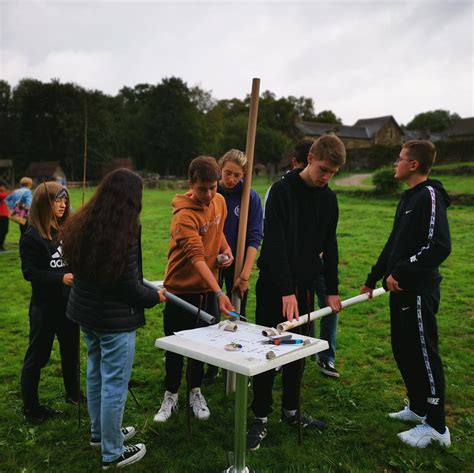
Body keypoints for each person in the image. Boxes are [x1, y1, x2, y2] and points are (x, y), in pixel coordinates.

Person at [246, 135, 346, 450]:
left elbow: (330, 245)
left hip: (302, 289)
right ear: (311, 157)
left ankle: (291, 410)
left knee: (298, 351)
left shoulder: (328, 199)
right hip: (274, 286)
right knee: (267, 349)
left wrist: (331, 290)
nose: (326, 177)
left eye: (333, 172)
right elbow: (274, 244)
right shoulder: (281, 191)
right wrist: (285, 290)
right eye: (323, 169)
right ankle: (260, 417)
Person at [62, 169, 165, 469]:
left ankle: (100, 434)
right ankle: (112, 451)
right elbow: (129, 287)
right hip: (114, 322)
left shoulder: (83, 220)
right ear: (132, 198)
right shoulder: (125, 232)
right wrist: (154, 297)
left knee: (95, 374)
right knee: (114, 384)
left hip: (86, 315)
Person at [361, 140, 452, 448]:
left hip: (417, 292)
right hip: (398, 291)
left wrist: (401, 272)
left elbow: (438, 245)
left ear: (414, 165)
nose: (395, 164)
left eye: (399, 159)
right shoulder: (409, 198)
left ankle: (437, 426)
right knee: (404, 350)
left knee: (424, 354)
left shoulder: (429, 195)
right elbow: (394, 245)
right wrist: (373, 277)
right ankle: (417, 408)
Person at [154, 156, 234, 424]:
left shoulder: (219, 200)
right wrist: (221, 292)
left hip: (208, 291)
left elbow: (218, 227)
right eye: (203, 189)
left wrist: (225, 249)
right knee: (177, 347)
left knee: (202, 346)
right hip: (180, 292)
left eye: (214, 187)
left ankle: (195, 391)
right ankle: (171, 394)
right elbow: (197, 258)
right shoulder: (183, 216)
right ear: (191, 184)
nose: (209, 194)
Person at [19, 182, 80, 422]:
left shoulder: (66, 231)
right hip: (44, 308)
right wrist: (60, 278)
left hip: (69, 305)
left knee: (71, 352)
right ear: (45, 204)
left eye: (65, 200)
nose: (64, 204)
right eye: (58, 200)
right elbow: (30, 273)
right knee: (38, 356)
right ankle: (31, 408)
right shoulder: (32, 237)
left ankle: (73, 394)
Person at [202, 150, 263, 385]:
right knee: (211, 312)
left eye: (237, 175)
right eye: (227, 173)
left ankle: (237, 363)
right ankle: (212, 367)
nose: (231, 179)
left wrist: (245, 275)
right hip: (211, 262)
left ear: (244, 175)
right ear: (220, 169)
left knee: (237, 312)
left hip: (238, 265)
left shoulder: (250, 198)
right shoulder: (211, 192)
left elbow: (255, 237)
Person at [0, 184, 9, 251]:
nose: (4, 188)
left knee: (5, 230)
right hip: (1, 216)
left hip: (4, 215)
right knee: (2, 230)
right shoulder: (1, 194)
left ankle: (1, 245)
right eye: (3, 186)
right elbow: (6, 196)